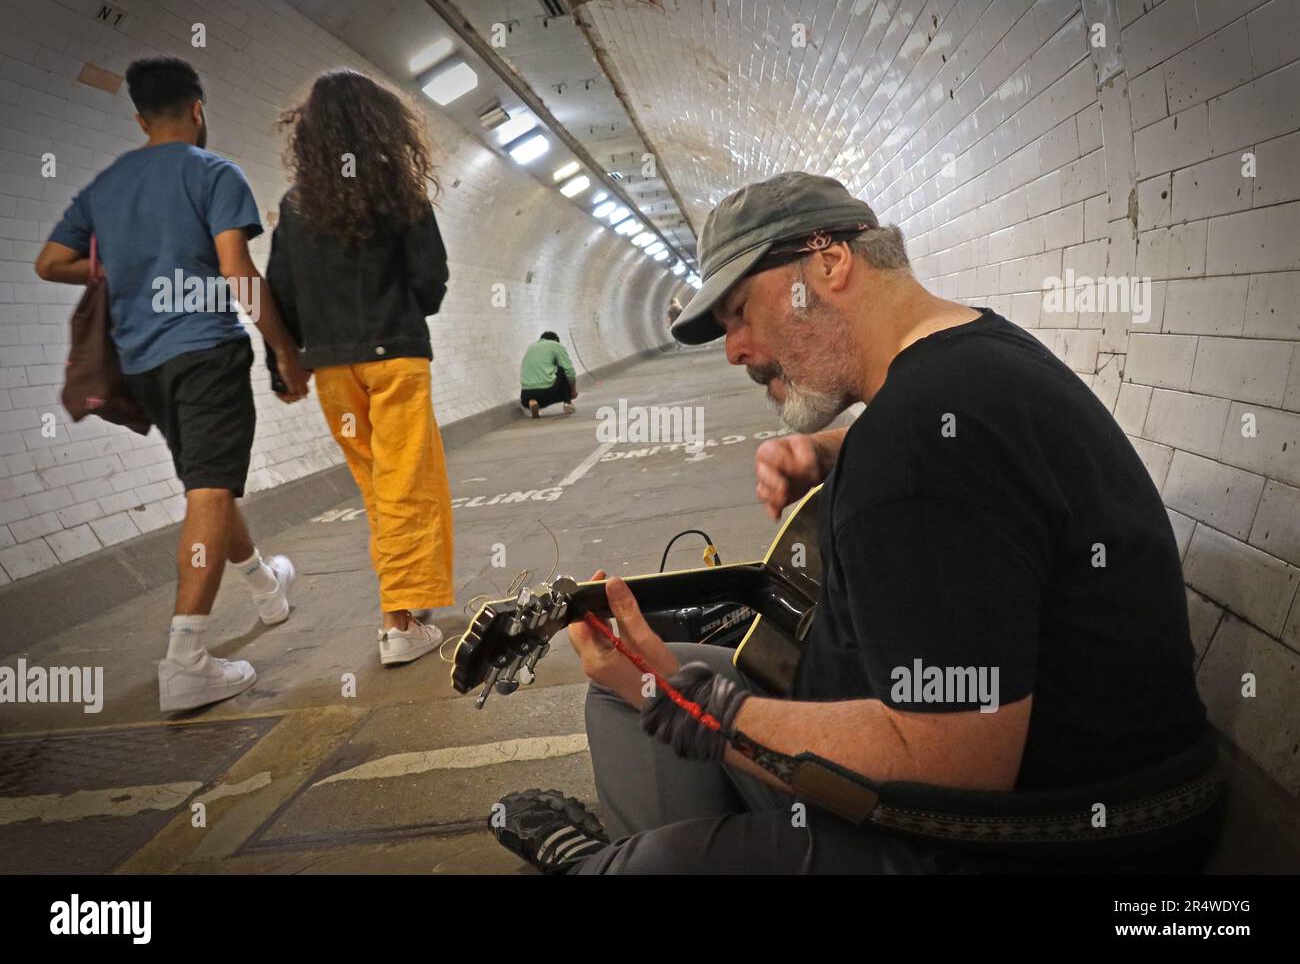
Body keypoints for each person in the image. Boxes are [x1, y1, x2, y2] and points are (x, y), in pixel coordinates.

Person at [488, 172, 1221, 874]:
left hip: (1027, 840)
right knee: (635, 694)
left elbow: (956, 764)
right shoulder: (974, 358)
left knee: (654, 740)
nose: (736, 349)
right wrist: (829, 448)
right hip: (1136, 801)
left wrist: (675, 698)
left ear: (830, 262)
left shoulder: (915, 451)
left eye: (742, 311)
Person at [35, 57, 308, 714]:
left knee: (205, 480)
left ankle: (265, 586)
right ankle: (185, 660)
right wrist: (284, 349)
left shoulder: (106, 184)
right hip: (205, 352)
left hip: (142, 362)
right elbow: (237, 269)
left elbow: (51, 263)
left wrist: (117, 272)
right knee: (211, 488)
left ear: (138, 117)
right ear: (198, 109)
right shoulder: (214, 173)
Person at [265, 69, 454, 666]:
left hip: (332, 371)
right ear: (380, 123)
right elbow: (430, 278)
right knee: (408, 485)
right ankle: (398, 622)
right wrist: (405, 311)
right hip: (395, 358)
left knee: (378, 487)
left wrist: (287, 361)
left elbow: (283, 291)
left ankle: (408, 597)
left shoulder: (295, 206)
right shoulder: (398, 194)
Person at [520, 331, 577, 417]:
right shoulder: (556, 345)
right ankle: (567, 404)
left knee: (536, 391)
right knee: (563, 369)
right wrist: (573, 390)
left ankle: (533, 402)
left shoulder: (531, 347)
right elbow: (570, 371)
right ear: (555, 340)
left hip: (525, 395)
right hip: (547, 392)